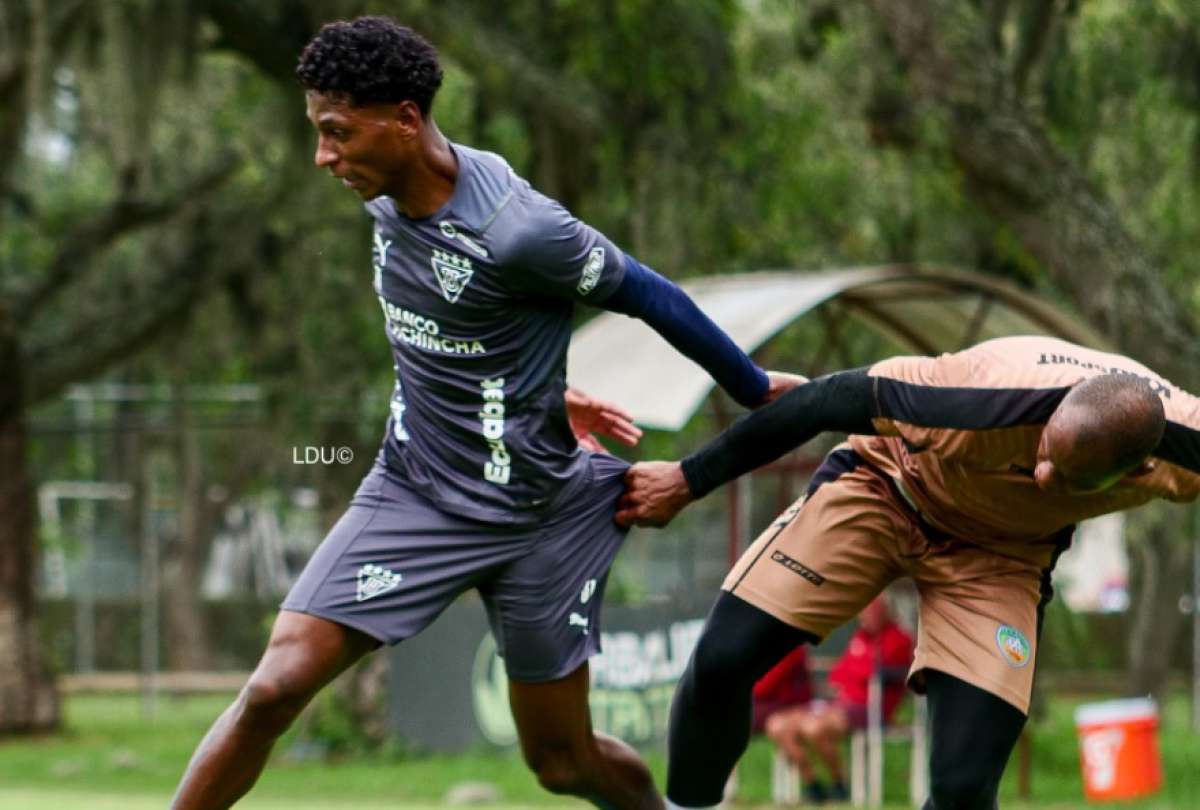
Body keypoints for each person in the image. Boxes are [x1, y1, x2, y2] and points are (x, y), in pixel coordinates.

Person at [169, 17, 802, 810]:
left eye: (337, 133)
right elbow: (449, 320)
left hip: (542, 516)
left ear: (404, 118)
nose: (324, 157)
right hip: (414, 493)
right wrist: (528, 384)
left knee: (563, 764)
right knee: (271, 690)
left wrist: (749, 387)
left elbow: (651, 294)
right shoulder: (385, 189)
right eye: (317, 133)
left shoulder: (522, 232)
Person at [615, 335, 1200, 810]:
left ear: (1142, 470)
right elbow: (820, 401)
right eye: (1042, 452)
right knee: (722, 660)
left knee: (964, 788)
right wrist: (686, 481)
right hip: (888, 490)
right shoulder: (976, 395)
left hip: (1002, 556)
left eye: (1069, 477)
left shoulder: (1184, 449)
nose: (1044, 476)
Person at [763, 596, 913, 804]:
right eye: (864, 612)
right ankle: (813, 785)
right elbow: (839, 673)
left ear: (886, 612)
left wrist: (856, 672)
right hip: (839, 704)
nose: (866, 617)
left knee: (814, 728)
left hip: (870, 707)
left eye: (872, 611)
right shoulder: (860, 637)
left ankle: (839, 783)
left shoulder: (899, 639)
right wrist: (854, 672)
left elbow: (872, 672)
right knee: (776, 725)